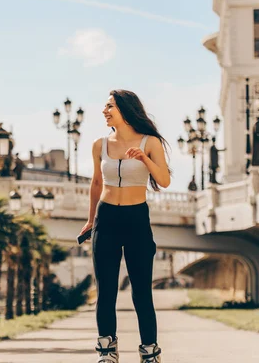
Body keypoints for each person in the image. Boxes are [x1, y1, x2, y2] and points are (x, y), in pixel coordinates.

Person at [78, 89, 171, 363]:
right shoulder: (99, 144)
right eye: (105, 107)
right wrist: (90, 219)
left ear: (125, 110)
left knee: (141, 290)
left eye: (110, 107)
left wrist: (143, 159)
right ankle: (107, 351)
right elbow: (96, 183)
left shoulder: (149, 142)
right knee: (105, 290)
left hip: (136, 219)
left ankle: (150, 352)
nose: (104, 111)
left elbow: (164, 180)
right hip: (106, 219)